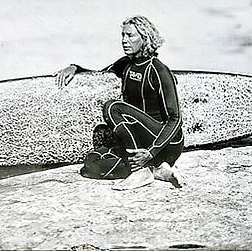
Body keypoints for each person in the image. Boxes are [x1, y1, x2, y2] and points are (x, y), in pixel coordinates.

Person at [55, 15, 184, 190]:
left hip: (165, 144)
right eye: (123, 35)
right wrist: (75, 67)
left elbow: (175, 119)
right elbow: (98, 75)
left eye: (130, 36)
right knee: (91, 165)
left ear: (145, 38)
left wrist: (151, 151)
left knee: (112, 107)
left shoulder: (159, 70)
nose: (124, 41)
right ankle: (155, 169)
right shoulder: (126, 64)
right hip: (142, 141)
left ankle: (142, 169)